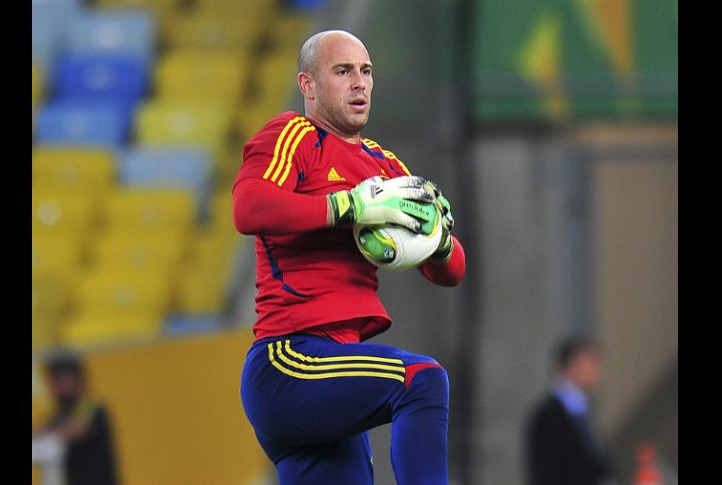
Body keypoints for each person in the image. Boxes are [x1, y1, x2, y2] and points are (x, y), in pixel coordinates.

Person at [233, 30, 466, 484]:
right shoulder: (294, 135)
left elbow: (452, 270)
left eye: (366, 71)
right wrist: (346, 206)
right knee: (421, 380)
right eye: (343, 71)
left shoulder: (385, 167)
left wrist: (439, 241)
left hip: (334, 373)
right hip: (289, 360)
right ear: (308, 85)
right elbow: (247, 208)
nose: (359, 83)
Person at [524, 337, 617, 485]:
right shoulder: (548, 417)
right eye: (590, 361)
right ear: (571, 366)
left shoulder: (581, 410)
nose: (597, 367)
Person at [33, 351, 120, 485]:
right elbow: (41, 430)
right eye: (55, 381)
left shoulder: (91, 406)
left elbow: (77, 429)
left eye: (64, 380)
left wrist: (48, 434)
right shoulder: (60, 414)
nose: (60, 386)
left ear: (79, 380)